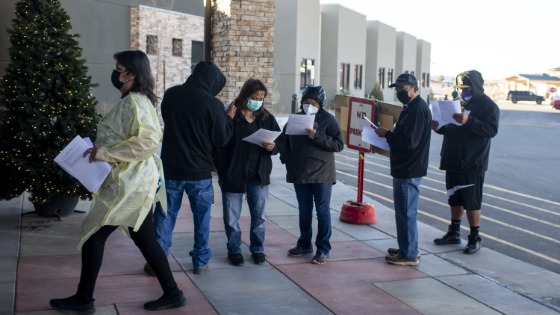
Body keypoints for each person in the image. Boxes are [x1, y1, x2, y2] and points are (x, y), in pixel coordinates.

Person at [49, 50, 186, 313]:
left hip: (129, 185)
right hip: (132, 182)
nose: (116, 73)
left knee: (93, 236)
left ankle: (84, 300)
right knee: (145, 239)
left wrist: (106, 153)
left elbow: (147, 142)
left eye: (120, 68)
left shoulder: (135, 102)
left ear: (132, 74)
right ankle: (173, 293)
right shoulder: (136, 101)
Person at [151, 61, 234, 275]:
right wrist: (228, 120)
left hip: (170, 170)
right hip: (200, 172)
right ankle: (199, 261)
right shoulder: (213, 104)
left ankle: (157, 261)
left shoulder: (171, 95)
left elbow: (169, 120)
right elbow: (220, 139)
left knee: (164, 216)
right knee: (202, 219)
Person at [214, 78, 281, 266]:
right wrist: (222, 170)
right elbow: (219, 143)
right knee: (231, 217)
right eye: (254, 97)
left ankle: (257, 248)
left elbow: (279, 143)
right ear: (245, 96)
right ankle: (234, 249)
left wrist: (272, 147)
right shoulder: (231, 114)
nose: (258, 101)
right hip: (233, 174)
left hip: (258, 175)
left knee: (259, 216)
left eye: (261, 98)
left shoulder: (266, 117)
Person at [432, 70, 499, 254]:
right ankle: (454, 232)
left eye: (467, 88)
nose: (463, 92)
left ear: (476, 87)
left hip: (472, 162)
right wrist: (438, 127)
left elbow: (491, 130)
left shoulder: (489, 107)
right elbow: (449, 128)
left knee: (471, 202)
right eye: (461, 88)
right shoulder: (458, 103)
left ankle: (474, 238)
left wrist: (469, 121)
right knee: (455, 198)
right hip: (452, 159)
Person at [277, 85, 344, 265]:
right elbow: (282, 141)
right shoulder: (295, 119)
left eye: (313, 103)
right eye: (306, 102)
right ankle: (304, 244)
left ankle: (323, 249)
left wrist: (318, 136)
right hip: (300, 172)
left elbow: (338, 144)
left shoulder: (329, 120)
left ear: (320, 103)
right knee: (304, 210)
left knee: (322, 212)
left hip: (322, 174)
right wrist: (287, 160)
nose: (309, 106)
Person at [375, 73, 431, 266]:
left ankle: (409, 254)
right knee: (403, 211)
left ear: (415, 89)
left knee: (406, 212)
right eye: (397, 90)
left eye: (403, 90)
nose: (400, 93)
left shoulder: (417, 110)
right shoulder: (411, 108)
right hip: (405, 166)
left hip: (409, 168)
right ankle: (407, 247)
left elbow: (409, 142)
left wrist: (387, 134)